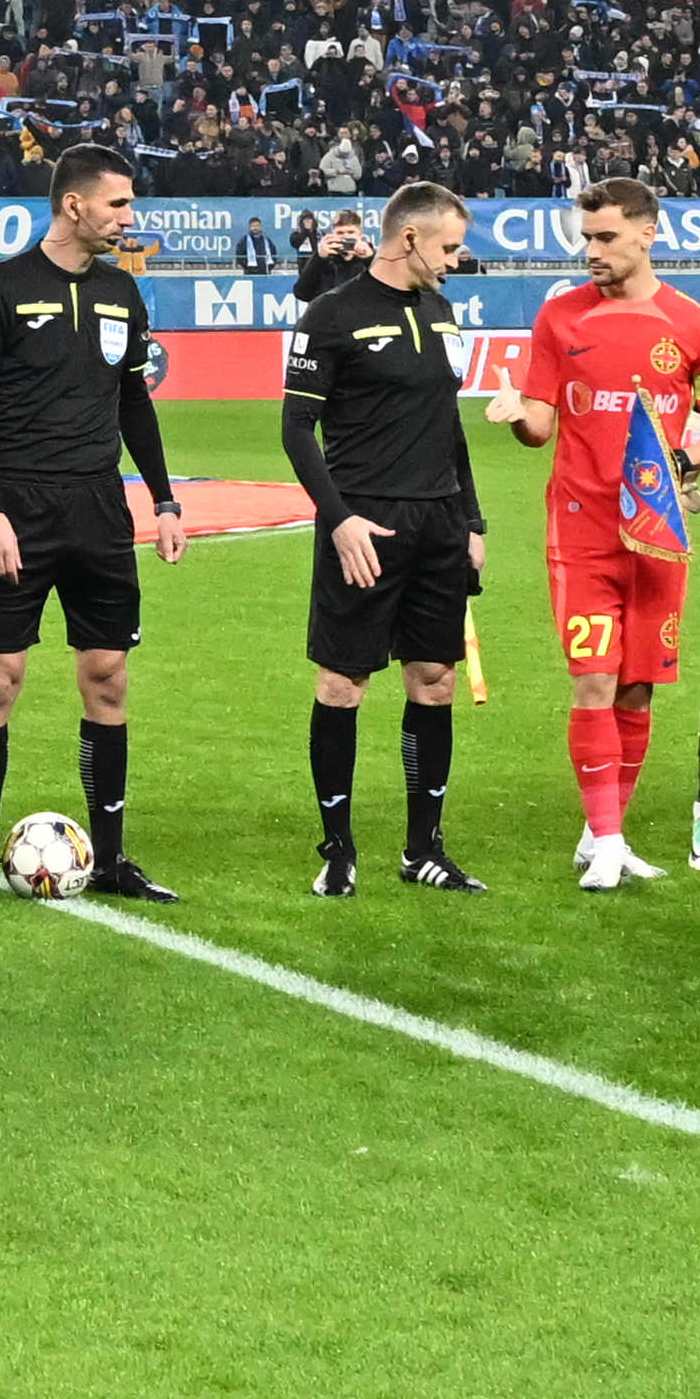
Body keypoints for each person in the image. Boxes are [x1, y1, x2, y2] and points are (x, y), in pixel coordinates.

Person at [0, 148, 190, 907]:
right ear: (73, 205)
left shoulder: (123, 292)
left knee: (107, 678)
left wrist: (162, 500)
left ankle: (112, 858)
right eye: (117, 205)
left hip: (98, 509)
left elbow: (132, 404)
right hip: (17, 508)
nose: (129, 218)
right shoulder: (2, 288)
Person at [504, 175, 700, 891]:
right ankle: (605, 841)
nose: (591, 252)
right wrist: (513, 410)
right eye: (586, 238)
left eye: (604, 238)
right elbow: (539, 429)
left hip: (657, 535)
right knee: (594, 681)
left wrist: (678, 463)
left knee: (638, 690)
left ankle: (603, 830)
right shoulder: (559, 320)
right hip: (581, 531)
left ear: (646, 233)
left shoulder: (692, 326)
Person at [286, 179, 484, 897]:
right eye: (449, 245)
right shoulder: (330, 315)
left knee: (433, 684)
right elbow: (294, 427)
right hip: (363, 522)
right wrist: (337, 520)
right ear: (409, 239)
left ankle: (422, 848)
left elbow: (448, 425)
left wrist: (471, 520)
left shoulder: (440, 308)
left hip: (437, 526)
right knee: (343, 685)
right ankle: (337, 848)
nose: (456, 259)